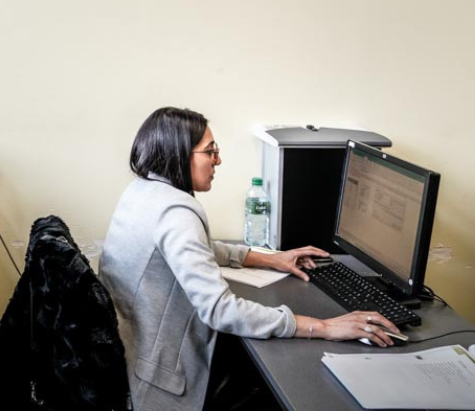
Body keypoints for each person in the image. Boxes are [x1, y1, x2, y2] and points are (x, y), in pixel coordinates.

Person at [98, 107, 400, 411]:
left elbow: (198, 248)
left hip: (131, 355)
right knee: (283, 384)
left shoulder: (143, 192)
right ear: (179, 154)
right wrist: (323, 327)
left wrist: (271, 259)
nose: (218, 160)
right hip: (157, 382)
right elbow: (220, 310)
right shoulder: (176, 213)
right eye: (210, 152)